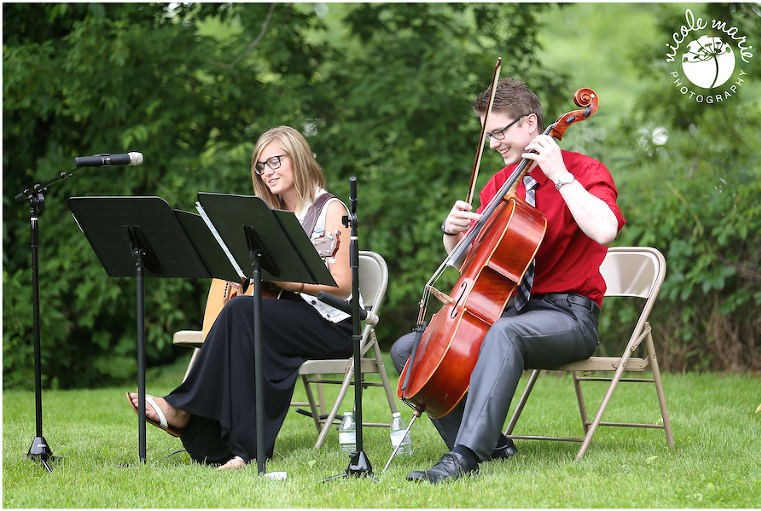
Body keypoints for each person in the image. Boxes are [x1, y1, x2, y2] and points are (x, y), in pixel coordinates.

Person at [390, 78, 626, 483]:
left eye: (499, 132)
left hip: (569, 316)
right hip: (508, 312)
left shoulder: (585, 171)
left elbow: (605, 230)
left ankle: (464, 456)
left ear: (530, 124)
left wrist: (560, 176)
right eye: (487, 136)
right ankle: (494, 444)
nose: (493, 143)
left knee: (505, 335)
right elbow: (472, 263)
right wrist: (451, 232)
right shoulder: (500, 185)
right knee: (411, 348)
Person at [127, 126, 355, 469]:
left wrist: (294, 284)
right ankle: (237, 452)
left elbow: (343, 285)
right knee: (244, 320)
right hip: (285, 318)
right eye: (261, 166)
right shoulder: (269, 216)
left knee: (241, 314)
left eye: (276, 161)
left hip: (332, 324)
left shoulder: (330, 209)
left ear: (299, 158)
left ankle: (182, 409)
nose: (268, 172)